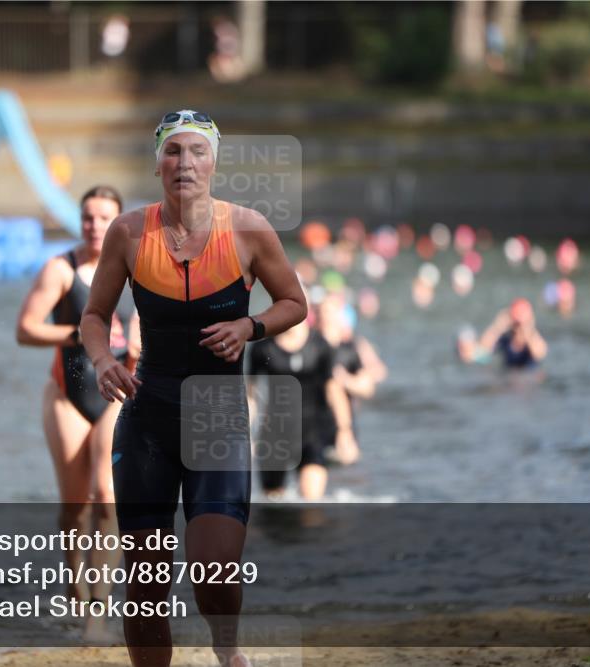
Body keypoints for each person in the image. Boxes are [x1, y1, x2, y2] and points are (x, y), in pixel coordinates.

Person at [80, 110, 306, 667]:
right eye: (173, 152)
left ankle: (226, 651)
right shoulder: (129, 233)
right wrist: (104, 357)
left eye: (196, 152)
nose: (185, 163)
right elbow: (93, 316)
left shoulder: (248, 229)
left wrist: (248, 327)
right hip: (147, 413)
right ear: (158, 163)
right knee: (145, 587)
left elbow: (296, 304)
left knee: (213, 567)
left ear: (214, 161)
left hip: (217, 415)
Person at [15, 185, 139, 642]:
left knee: (106, 496)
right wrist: (82, 334)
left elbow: (149, 321)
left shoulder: (135, 269)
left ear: (119, 223)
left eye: (104, 218)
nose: (94, 226)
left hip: (115, 395)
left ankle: (97, 617)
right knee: (75, 505)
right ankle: (74, 585)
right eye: (88, 217)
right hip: (66, 394)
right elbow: (25, 329)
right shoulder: (60, 270)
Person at [247, 306, 356, 499]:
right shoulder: (263, 348)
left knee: (311, 506)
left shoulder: (320, 345)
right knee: (273, 507)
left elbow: (334, 390)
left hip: (312, 432)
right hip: (274, 435)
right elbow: (251, 396)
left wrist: (345, 431)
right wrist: (244, 435)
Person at [315, 293, 387, 465]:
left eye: (330, 312)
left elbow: (368, 387)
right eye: (322, 311)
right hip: (312, 427)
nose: (325, 316)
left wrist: (345, 380)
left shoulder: (349, 349)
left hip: (344, 430)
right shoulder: (310, 346)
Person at [478, 298, 548, 369]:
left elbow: (539, 354)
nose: (517, 327)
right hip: (508, 376)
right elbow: (483, 349)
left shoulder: (534, 339)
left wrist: (526, 327)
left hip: (528, 376)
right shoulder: (505, 340)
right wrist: (497, 327)